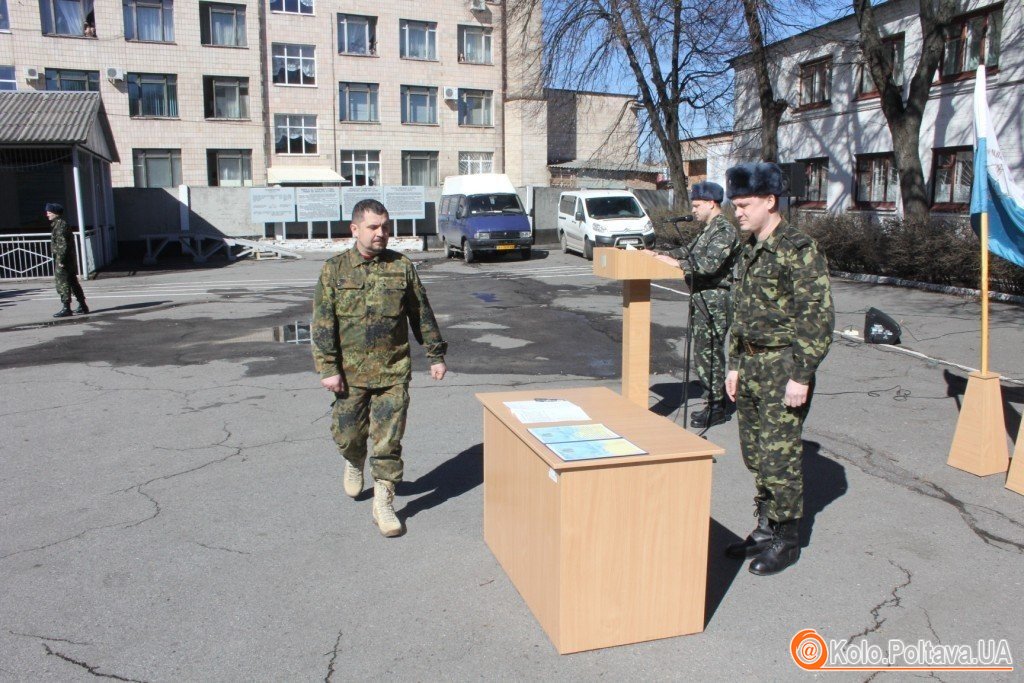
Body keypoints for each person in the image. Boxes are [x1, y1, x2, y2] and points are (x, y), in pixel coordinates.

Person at [312, 199, 448, 537]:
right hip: (349, 374)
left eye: (385, 227)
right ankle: (354, 459)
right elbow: (322, 323)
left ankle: (384, 502)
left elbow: (421, 313)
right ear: (355, 229)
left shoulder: (401, 267)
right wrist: (328, 368)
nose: (381, 233)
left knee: (389, 442)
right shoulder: (335, 270)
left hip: (392, 370)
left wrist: (435, 354)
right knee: (348, 435)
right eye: (374, 227)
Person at [722, 162, 833, 576]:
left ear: (771, 201)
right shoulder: (751, 247)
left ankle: (786, 538)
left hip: (783, 365)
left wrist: (801, 375)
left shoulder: (798, 248)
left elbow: (816, 318)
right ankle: (766, 526)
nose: (738, 213)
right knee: (755, 454)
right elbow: (741, 313)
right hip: (750, 364)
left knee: (780, 457)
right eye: (734, 206)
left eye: (745, 205)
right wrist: (734, 366)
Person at [647, 182, 738, 428]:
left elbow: (708, 265)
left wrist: (676, 264)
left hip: (715, 300)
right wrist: (659, 254)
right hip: (702, 298)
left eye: (697, 205)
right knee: (703, 353)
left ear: (711, 203)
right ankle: (714, 398)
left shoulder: (724, 231)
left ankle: (717, 406)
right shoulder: (708, 229)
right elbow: (689, 252)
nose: (694, 210)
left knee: (710, 353)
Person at [46, 203, 88, 318]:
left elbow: (63, 245)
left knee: (63, 283)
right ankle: (82, 305)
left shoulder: (60, 225)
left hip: (64, 260)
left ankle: (66, 308)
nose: (47, 215)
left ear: (55, 213)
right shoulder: (60, 224)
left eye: (49, 213)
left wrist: (61, 260)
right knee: (73, 282)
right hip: (68, 259)